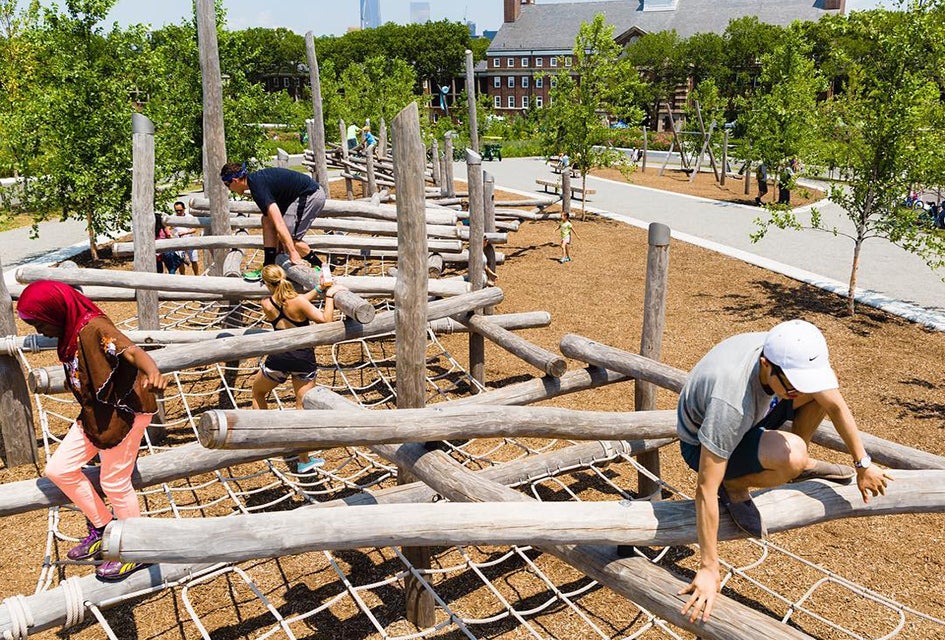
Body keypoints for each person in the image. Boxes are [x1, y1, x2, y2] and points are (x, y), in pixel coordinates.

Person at [676, 319, 891, 623]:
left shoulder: (786, 350)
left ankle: (792, 458)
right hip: (700, 445)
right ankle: (739, 484)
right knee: (790, 456)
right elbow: (704, 489)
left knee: (820, 394)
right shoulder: (732, 402)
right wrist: (709, 568)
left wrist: (863, 464)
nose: (798, 389)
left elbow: (836, 404)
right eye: (793, 382)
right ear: (766, 364)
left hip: (755, 417)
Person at [17, 281, 167, 581]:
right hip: (97, 412)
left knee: (114, 482)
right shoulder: (72, 330)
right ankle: (102, 526)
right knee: (59, 469)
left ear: (56, 311)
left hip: (125, 410)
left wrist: (151, 369)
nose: (38, 330)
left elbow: (130, 349)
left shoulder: (94, 327)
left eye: (38, 322)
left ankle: (136, 547)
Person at [253, 265, 345, 472]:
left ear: (267, 284)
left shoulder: (266, 303)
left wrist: (318, 290)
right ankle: (304, 460)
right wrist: (329, 295)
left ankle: (265, 440)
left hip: (279, 356)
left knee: (258, 392)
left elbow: (295, 304)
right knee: (302, 405)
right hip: (302, 357)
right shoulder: (298, 301)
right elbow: (325, 320)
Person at [220, 162, 328, 281]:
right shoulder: (255, 182)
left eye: (227, 185)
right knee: (266, 220)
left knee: (289, 239)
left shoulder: (258, 187)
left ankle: (321, 267)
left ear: (235, 180)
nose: (229, 189)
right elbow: (271, 218)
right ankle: (268, 266)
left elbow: (279, 223)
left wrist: (292, 252)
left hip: (310, 194)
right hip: (296, 196)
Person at [168, 201, 201, 276]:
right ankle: (183, 276)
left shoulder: (189, 217)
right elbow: (168, 227)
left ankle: (197, 276)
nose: (178, 212)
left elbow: (194, 229)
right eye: (177, 210)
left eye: (180, 210)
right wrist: (170, 233)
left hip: (189, 240)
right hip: (178, 242)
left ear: (184, 209)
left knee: (194, 260)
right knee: (180, 261)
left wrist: (185, 233)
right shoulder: (172, 217)